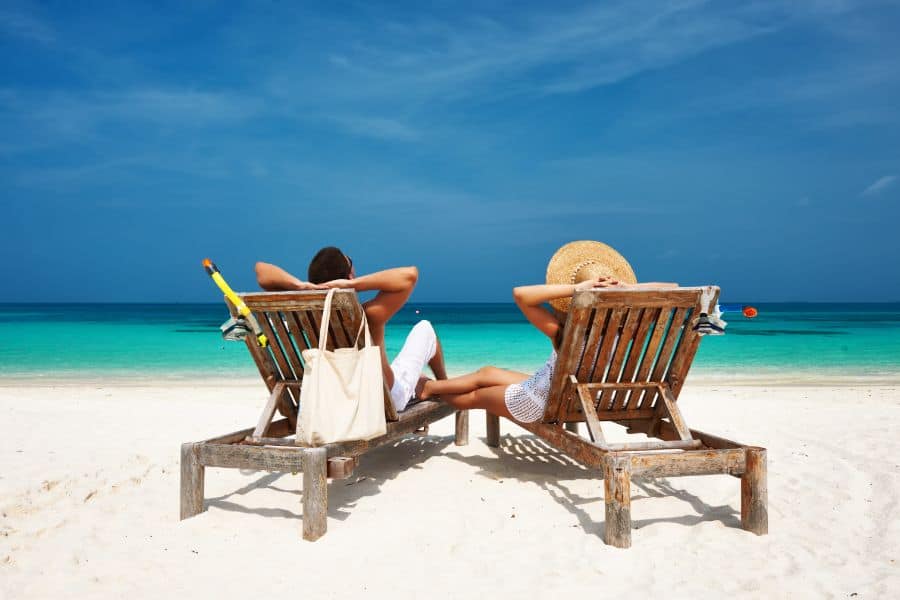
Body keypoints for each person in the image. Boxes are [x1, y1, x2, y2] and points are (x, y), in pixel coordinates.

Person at [419, 240, 676, 423]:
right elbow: (673, 287)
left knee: (474, 396)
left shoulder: (565, 331)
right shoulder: (628, 330)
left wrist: (578, 288)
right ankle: (431, 388)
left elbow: (521, 295)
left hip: (544, 403)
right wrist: (627, 289)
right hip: (580, 397)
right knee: (487, 372)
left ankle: (429, 390)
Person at [255, 247, 446, 412]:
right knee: (425, 329)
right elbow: (410, 275)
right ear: (348, 277)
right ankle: (445, 386)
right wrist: (353, 285)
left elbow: (261, 270)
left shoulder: (304, 318)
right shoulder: (368, 316)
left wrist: (301, 286)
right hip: (382, 401)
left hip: (334, 400)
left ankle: (427, 385)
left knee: (405, 371)